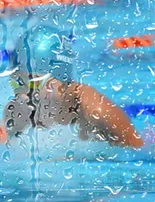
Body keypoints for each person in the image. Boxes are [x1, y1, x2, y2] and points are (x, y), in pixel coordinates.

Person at [0, 25, 144, 149]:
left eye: (32, 84)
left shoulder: (95, 110)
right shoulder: (18, 109)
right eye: (18, 82)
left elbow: (138, 154)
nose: (22, 95)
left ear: (59, 82)